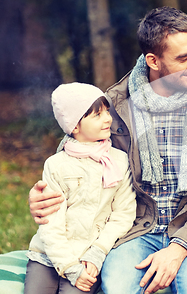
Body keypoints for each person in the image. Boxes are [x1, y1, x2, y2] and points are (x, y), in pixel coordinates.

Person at [28, 6, 187, 294]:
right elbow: (72, 155)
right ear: (153, 60)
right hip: (137, 228)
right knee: (116, 287)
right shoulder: (115, 104)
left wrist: (178, 248)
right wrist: (42, 196)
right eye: (184, 58)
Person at [24, 83, 136, 294]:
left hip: (89, 256)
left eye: (107, 112)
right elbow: (51, 222)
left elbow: (123, 214)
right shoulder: (56, 165)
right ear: (74, 126)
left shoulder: (119, 161)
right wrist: (68, 266)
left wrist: (98, 252)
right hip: (49, 254)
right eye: (97, 115)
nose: (107, 119)